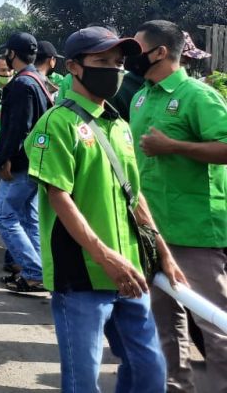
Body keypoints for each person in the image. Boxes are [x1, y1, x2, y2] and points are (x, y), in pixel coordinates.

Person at [25, 26, 184, 393]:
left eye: (118, 62)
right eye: (102, 61)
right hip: (83, 275)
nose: (114, 70)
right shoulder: (57, 124)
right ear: (75, 67)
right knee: (83, 380)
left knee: (149, 369)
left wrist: (162, 252)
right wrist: (104, 256)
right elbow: (58, 197)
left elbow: (135, 197)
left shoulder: (119, 124)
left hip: (131, 272)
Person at [128, 20, 227, 392]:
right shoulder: (141, 97)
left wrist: (175, 147)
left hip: (194, 229)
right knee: (164, 320)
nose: (130, 58)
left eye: (137, 50)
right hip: (152, 230)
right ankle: (174, 385)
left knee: (215, 323)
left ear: (161, 52)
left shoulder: (198, 96)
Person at [0, 32, 52, 293]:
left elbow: (18, 127)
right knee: (29, 217)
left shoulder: (22, 84)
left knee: (2, 216)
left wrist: (5, 159)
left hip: (21, 164)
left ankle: (34, 271)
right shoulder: (39, 81)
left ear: (12, 54)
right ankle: (38, 271)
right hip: (37, 162)